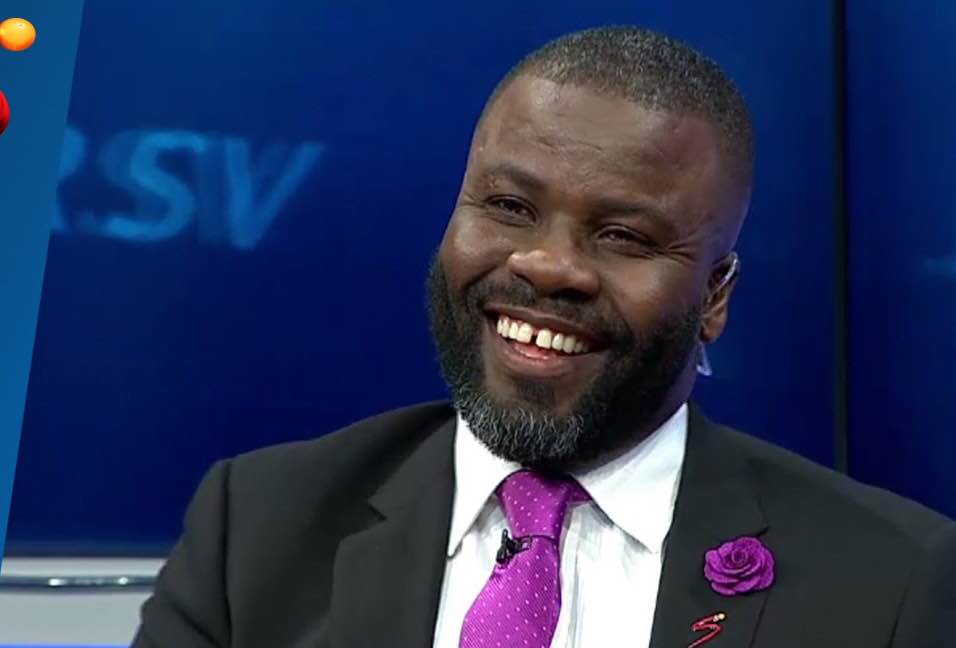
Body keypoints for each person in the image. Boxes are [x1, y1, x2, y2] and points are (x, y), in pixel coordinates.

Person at [132, 26, 956, 648]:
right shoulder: (259, 528)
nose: (549, 266)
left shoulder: (891, 582)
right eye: (509, 208)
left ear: (715, 296)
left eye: (624, 236)